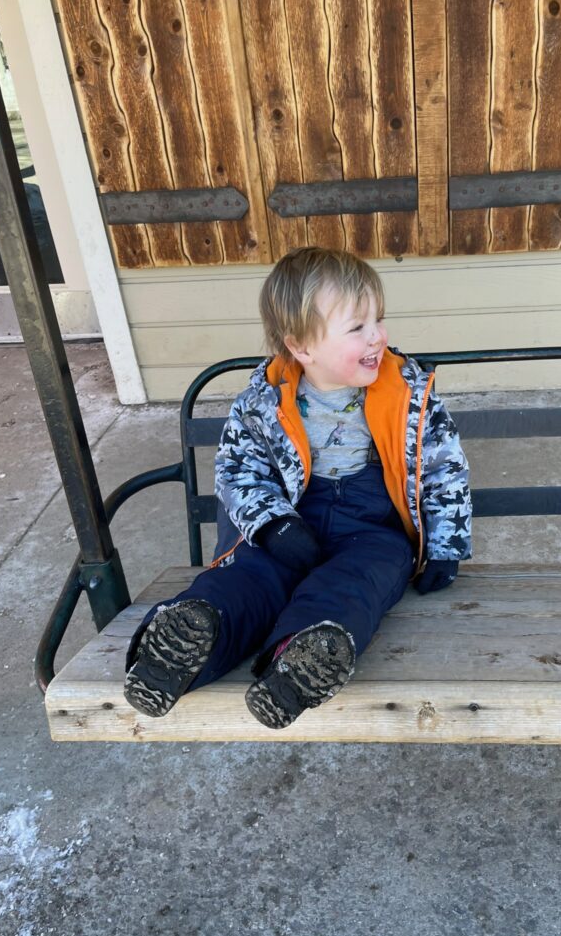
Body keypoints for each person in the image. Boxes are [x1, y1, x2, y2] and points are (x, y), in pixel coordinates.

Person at [124, 247, 472, 729]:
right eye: (357, 327)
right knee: (251, 578)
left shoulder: (409, 394)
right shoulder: (264, 401)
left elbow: (442, 469)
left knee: (359, 583)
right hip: (289, 524)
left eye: (379, 319)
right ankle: (186, 643)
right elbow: (238, 471)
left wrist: (445, 545)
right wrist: (272, 526)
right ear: (302, 346)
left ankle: (301, 662)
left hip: (372, 531)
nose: (378, 336)